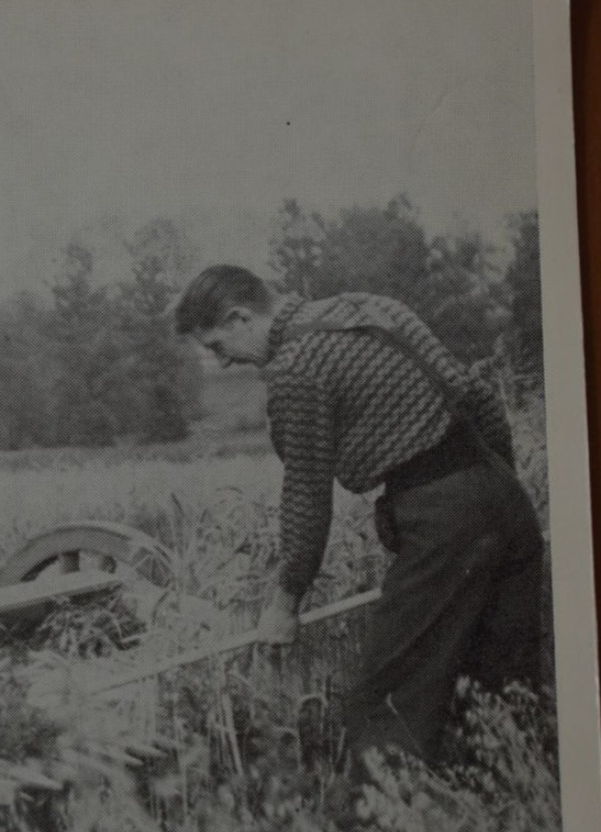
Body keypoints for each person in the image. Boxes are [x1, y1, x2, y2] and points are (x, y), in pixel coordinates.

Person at [171, 265, 545, 786]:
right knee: (504, 684)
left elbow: (306, 498)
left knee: (386, 700)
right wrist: (498, 501)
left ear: (240, 316)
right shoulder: (372, 306)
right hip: (503, 494)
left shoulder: (294, 371)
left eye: (217, 345)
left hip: (442, 519)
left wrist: (284, 606)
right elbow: (477, 394)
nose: (223, 361)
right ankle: (513, 812)